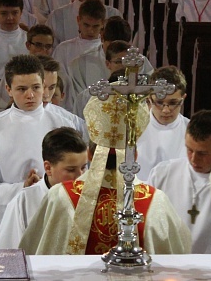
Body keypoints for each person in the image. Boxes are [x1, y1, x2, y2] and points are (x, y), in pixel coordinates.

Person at [19, 93, 191, 255]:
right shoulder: (156, 202)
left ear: (89, 155)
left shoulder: (60, 197)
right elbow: (179, 255)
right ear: (135, 156)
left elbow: (34, 254)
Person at [0, 54, 78, 248]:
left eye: (36, 87)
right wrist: (22, 189)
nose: (30, 95)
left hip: (55, 219)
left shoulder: (64, 124)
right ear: (8, 90)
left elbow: (79, 174)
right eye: (21, 89)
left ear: (44, 84)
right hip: (8, 225)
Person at [149, 110, 211, 253]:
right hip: (169, 268)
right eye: (189, 149)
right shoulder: (162, 174)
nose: (193, 159)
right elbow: (147, 225)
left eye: (202, 153)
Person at [0, 127, 89, 248]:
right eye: (71, 170)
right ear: (48, 168)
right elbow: (9, 254)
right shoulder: (24, 202)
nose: (80, 176)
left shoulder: (90, 198)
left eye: (83, 168)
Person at [136, 66, 189, 180]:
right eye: (159, 102)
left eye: (173, 103)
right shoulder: (133, 129)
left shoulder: (192, 131)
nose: (166, 110)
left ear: (183, 99)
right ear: (149, 98)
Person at [52, 0, 106, 76]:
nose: (90, 30)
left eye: (95, 26)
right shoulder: (63, 50)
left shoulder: (107, 52)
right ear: (78, 20)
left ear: (103, 23)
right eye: (86, 25)